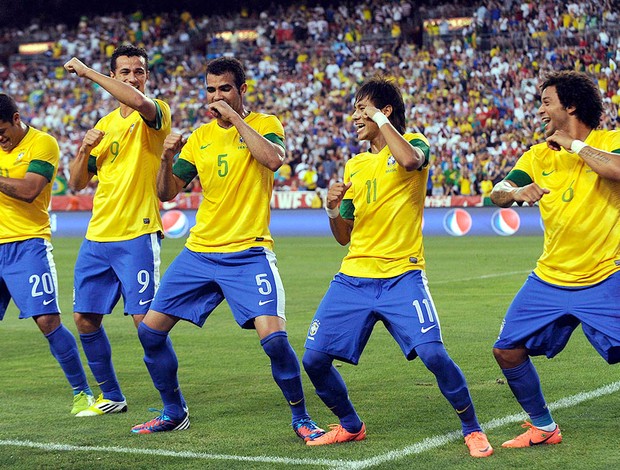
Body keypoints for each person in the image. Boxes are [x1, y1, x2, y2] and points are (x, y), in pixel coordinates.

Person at [130, 57, 324, 441]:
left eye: (225, 89)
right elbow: (166, 192)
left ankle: (301, 417)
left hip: (249, 253)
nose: (216, 97)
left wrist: (235, 120)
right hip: (200, 252)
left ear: (242, 90)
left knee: (275, 341)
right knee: (150, 334)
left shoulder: (266, 124)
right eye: (211, 90)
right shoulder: (200, 138)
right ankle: (173, 411)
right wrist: (166, 159)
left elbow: (273, 159)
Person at [301, 77, 493, 458]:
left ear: (384, 111)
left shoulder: (414, 142)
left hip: (402, 276)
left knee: (434, 355)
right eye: (355, 109)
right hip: (354, 277)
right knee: (314, 359)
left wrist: (384, 124)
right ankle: (351, 426)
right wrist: (331, 208)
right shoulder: (354, 165)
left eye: (362, 109)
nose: (354, 116)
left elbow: (409, 160)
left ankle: (472, 428)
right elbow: (344, 235)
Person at [490, 70, 620, 448]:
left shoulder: (610, 141)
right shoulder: (537, 154)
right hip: (549, 278)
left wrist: (574, 146)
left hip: (605, 274)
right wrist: (513, 193)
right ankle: (543, 426)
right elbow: (498, 191)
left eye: (547, 102)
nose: (540, 110)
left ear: (572, 105)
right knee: (507, 350)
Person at [64, 44, 171, 417]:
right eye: (124, 72)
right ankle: (111, 396)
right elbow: (77, 183)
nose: (132, 77)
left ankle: (172, 406)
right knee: (84, 318)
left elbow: (139, 103)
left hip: (136, 235)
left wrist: (91, 73)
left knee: (148, 326)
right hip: (97, 236)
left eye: (138, 71)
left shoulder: (154, 113)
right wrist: (83, 150)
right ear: (115, 75)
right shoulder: (104, 126)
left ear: (146, 76)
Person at [0, 93, 94, 414]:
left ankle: (83, 394)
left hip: (27, 243)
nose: (0, 140)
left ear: (16, 120)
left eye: (2, 132)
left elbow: (28, 191)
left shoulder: (43, 144)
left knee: (47, 320)